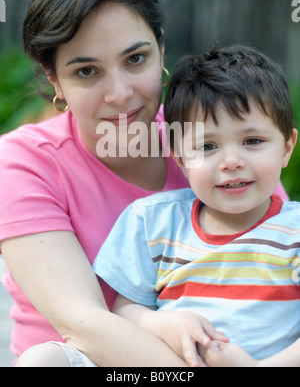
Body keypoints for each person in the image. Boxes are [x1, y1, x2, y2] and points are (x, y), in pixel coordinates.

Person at [0, 0, 201, 367]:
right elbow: (84, 323)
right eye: (86, 71)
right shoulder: (24, 162)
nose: (120, 94)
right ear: (53, 78)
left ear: (161, 50)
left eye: (135, 58)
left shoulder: (210, 140)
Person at [92, 45, 300, 367]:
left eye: (252, 141)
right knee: (45, 358)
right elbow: (125, 310)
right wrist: (166, 324)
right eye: (207, 146)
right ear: (180, 158)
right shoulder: (153, 224)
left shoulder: (294, 232)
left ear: (286, 147)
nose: (231, 161)